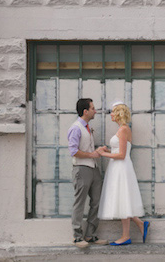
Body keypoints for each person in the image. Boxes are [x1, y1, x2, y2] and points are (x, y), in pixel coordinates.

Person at [96, 102, 150, 246]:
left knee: (123, 199)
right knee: (122, 200)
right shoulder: (122, 129)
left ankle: (127, 235)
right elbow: (118, 151)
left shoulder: (123, 130)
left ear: (119, 114)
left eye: (113, 112)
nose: (111, 115)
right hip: (117, 167)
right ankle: (138, 225)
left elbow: (121, 155)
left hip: (121, 167)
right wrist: (107, 151)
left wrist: (102, 154)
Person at [67, 98, 108, 248]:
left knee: (96, 201)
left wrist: (97, 151)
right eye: (93, 108)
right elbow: (73, 151)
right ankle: (77, 237)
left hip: (93, 168)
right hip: (82, 169)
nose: (95, 111)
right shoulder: (76, 128)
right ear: (85, 111)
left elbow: (87, 148)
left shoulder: (87, 127)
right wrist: (92, 155)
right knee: (80, 203)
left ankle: (90, 235)